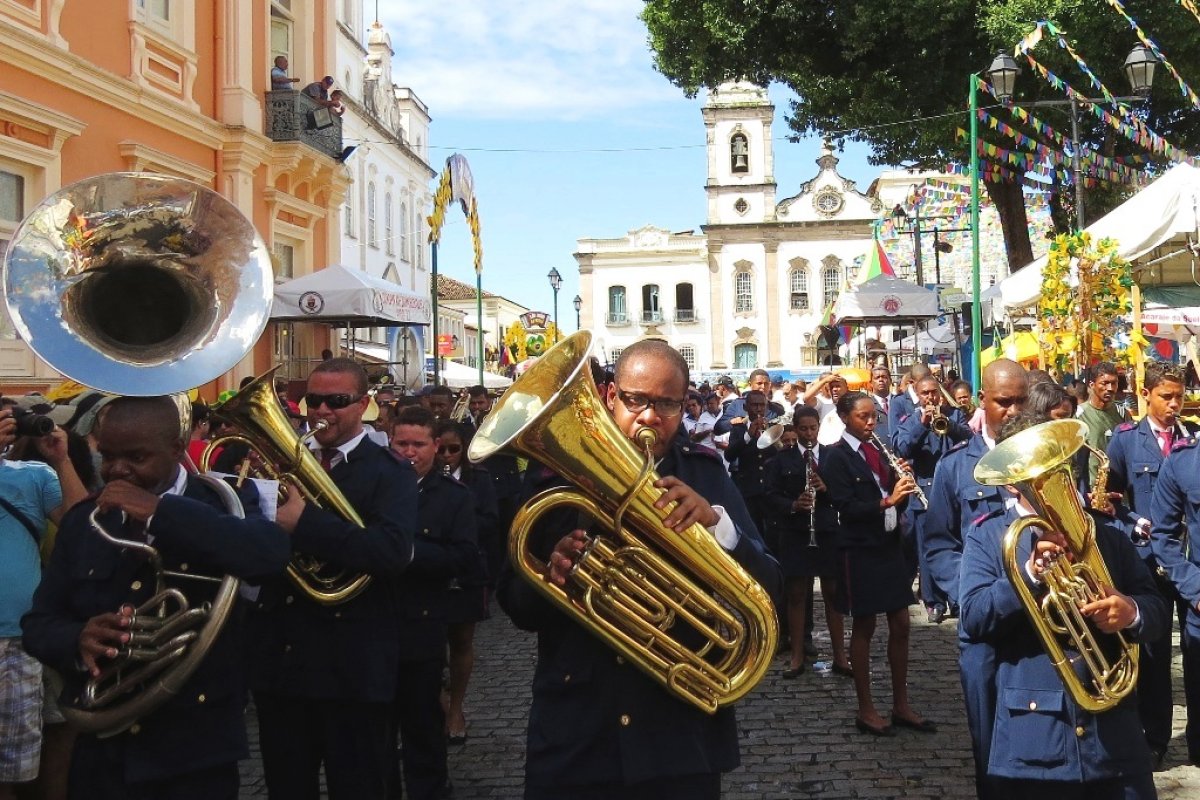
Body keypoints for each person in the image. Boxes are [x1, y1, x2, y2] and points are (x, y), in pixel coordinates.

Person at [498, 339, 781, 799]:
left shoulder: (704, 475)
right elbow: (515, 605)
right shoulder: (555, 478)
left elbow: (770, 586)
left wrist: (719, 528)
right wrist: (549, 576)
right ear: (611, 396)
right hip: (577, 731)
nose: (649, 416)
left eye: (667, 404)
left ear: (684, 405)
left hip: (677, 732)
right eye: (636, 400)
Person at [21, 396, 289, 800]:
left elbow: (269, 556)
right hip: (104, 750)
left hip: (194, 749)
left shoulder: (225, 501)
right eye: (108, 455)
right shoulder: (85, 520)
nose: (117, 469)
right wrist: (78, 639)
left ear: (177, 449)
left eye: (136, 457)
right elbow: (39, 624)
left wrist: (161, 512)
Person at [960, 412, 1166, 800]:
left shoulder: (1108, 534)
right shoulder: (989, 537)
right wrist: (1028, 575)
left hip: (1115, 739)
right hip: (1036, 738)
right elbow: (974, 618)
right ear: (1011, 480)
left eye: (1061, 465)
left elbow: (1154, 607)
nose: (1060, 477)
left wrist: (1131, 611)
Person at [249, 357, 419, 800]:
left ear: (363, 404)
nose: (322, 411)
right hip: (283, 662)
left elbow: (392, 552)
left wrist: (305, 524)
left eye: (337, 401)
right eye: (314, 400)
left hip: (353, 665)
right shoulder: (283, 461)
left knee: (361, 787)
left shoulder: (390, 471)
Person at [922, 358, 1028, 799]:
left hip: (1038, 621)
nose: (1014, 411)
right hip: (984, 629)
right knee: (990, 748)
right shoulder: (954, 465)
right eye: (1004, 402)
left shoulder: (1042, 453)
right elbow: (938, 544)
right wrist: (968, 592)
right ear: (983, 400)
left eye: (1021, 401)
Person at [818, 392, 932, 737]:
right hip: (859, 547)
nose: (871, 423)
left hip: (888, 544)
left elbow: (891, 494)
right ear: (844, 418)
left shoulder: (879, 450)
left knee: (902, 623)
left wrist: (901, 482)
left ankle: (901, 704)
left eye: (874, 417)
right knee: (865, 625)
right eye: (863, 417)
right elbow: (847, 507)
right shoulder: (835, 457)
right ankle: (866, 709)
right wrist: (887, 501)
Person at [386, 409, 478, 799]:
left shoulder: (454, 497)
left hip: (421, 623)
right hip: (371, 624)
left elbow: (464, 556)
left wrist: (406, 552)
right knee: (375, 732)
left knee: (422, 725)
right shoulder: (376, 486)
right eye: (401, 444)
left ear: (435, 446)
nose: (409, 452)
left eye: (418, 444)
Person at [1106, 362, 1194, 768]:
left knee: (1194, 651)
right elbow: (1110, 501)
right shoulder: (1126, 440)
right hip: (1147, 561)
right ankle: (1155, 738)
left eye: (1179, 397)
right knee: (1154, 655)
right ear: (1146, 395)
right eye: (1166, 397)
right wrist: (1135, 523)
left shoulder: (1190, 439)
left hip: (1188, 561)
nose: (1174, 405)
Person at [1, 403, 86, 800]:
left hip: (19, 639)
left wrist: (62, 460)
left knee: (17, 773)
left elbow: (82, 528)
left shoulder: (35, 475)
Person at [763, 405, 849, 679]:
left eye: (813, 428)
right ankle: (797, 655)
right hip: (795, 532)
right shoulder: (782, 459)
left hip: (827, 530)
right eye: (803, 429)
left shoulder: (833, 456)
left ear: (819, 427)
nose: (809, 434)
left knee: (833, 593)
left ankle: (840, 656)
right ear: (795, 429)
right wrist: (792, 504)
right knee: (797, 593)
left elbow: (846, 495)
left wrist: (827, 489)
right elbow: (770, 495)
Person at [431, 421, 497, 747]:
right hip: (433, 569)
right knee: (430, 645)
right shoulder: (424, 480)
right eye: (441, 449)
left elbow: (491, 520)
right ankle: (438, 701)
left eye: (454, 449)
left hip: (467, 570)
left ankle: (456, 708)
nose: (447, 456)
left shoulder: (479, 479)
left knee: (461, 641)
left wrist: (459, 524)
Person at [894, 374, 972, 622]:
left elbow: (970, 438)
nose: (930, 397)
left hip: (954, 490)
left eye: (933, 392)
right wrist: (922, 425)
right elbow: (901, 448)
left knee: (958, 545)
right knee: (928, 550)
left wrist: (948, 423)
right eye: (925, 393)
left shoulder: (954, 414)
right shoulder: (910, 420)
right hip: (925, 492)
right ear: (917, 395)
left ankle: (957, 598)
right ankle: (933, 601)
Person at [723, 390, 780, 542]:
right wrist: (748, 436)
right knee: (754, 532)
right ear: (746, 407)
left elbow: (779, 453)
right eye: (754, 405)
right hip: (748, 489)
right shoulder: (738, 429)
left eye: (762, 405)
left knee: (773, 533)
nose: (759, 409)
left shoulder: (773, 427)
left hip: (770, 489)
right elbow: (729, 455)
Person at [1077, 362, 1126, 487]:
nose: (1110, 388)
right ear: (1092, 385)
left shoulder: (1122, 413)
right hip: (1091, 488)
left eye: (1114, 383)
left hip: (1118, 486)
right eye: (1104, 383)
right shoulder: (1079, 415)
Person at [868, 365, 893, 442]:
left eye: (884, 377)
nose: (881, 380)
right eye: (877, 378)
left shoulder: (899, 401)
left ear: (890, 381)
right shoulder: (867, 404)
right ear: (871, 383)